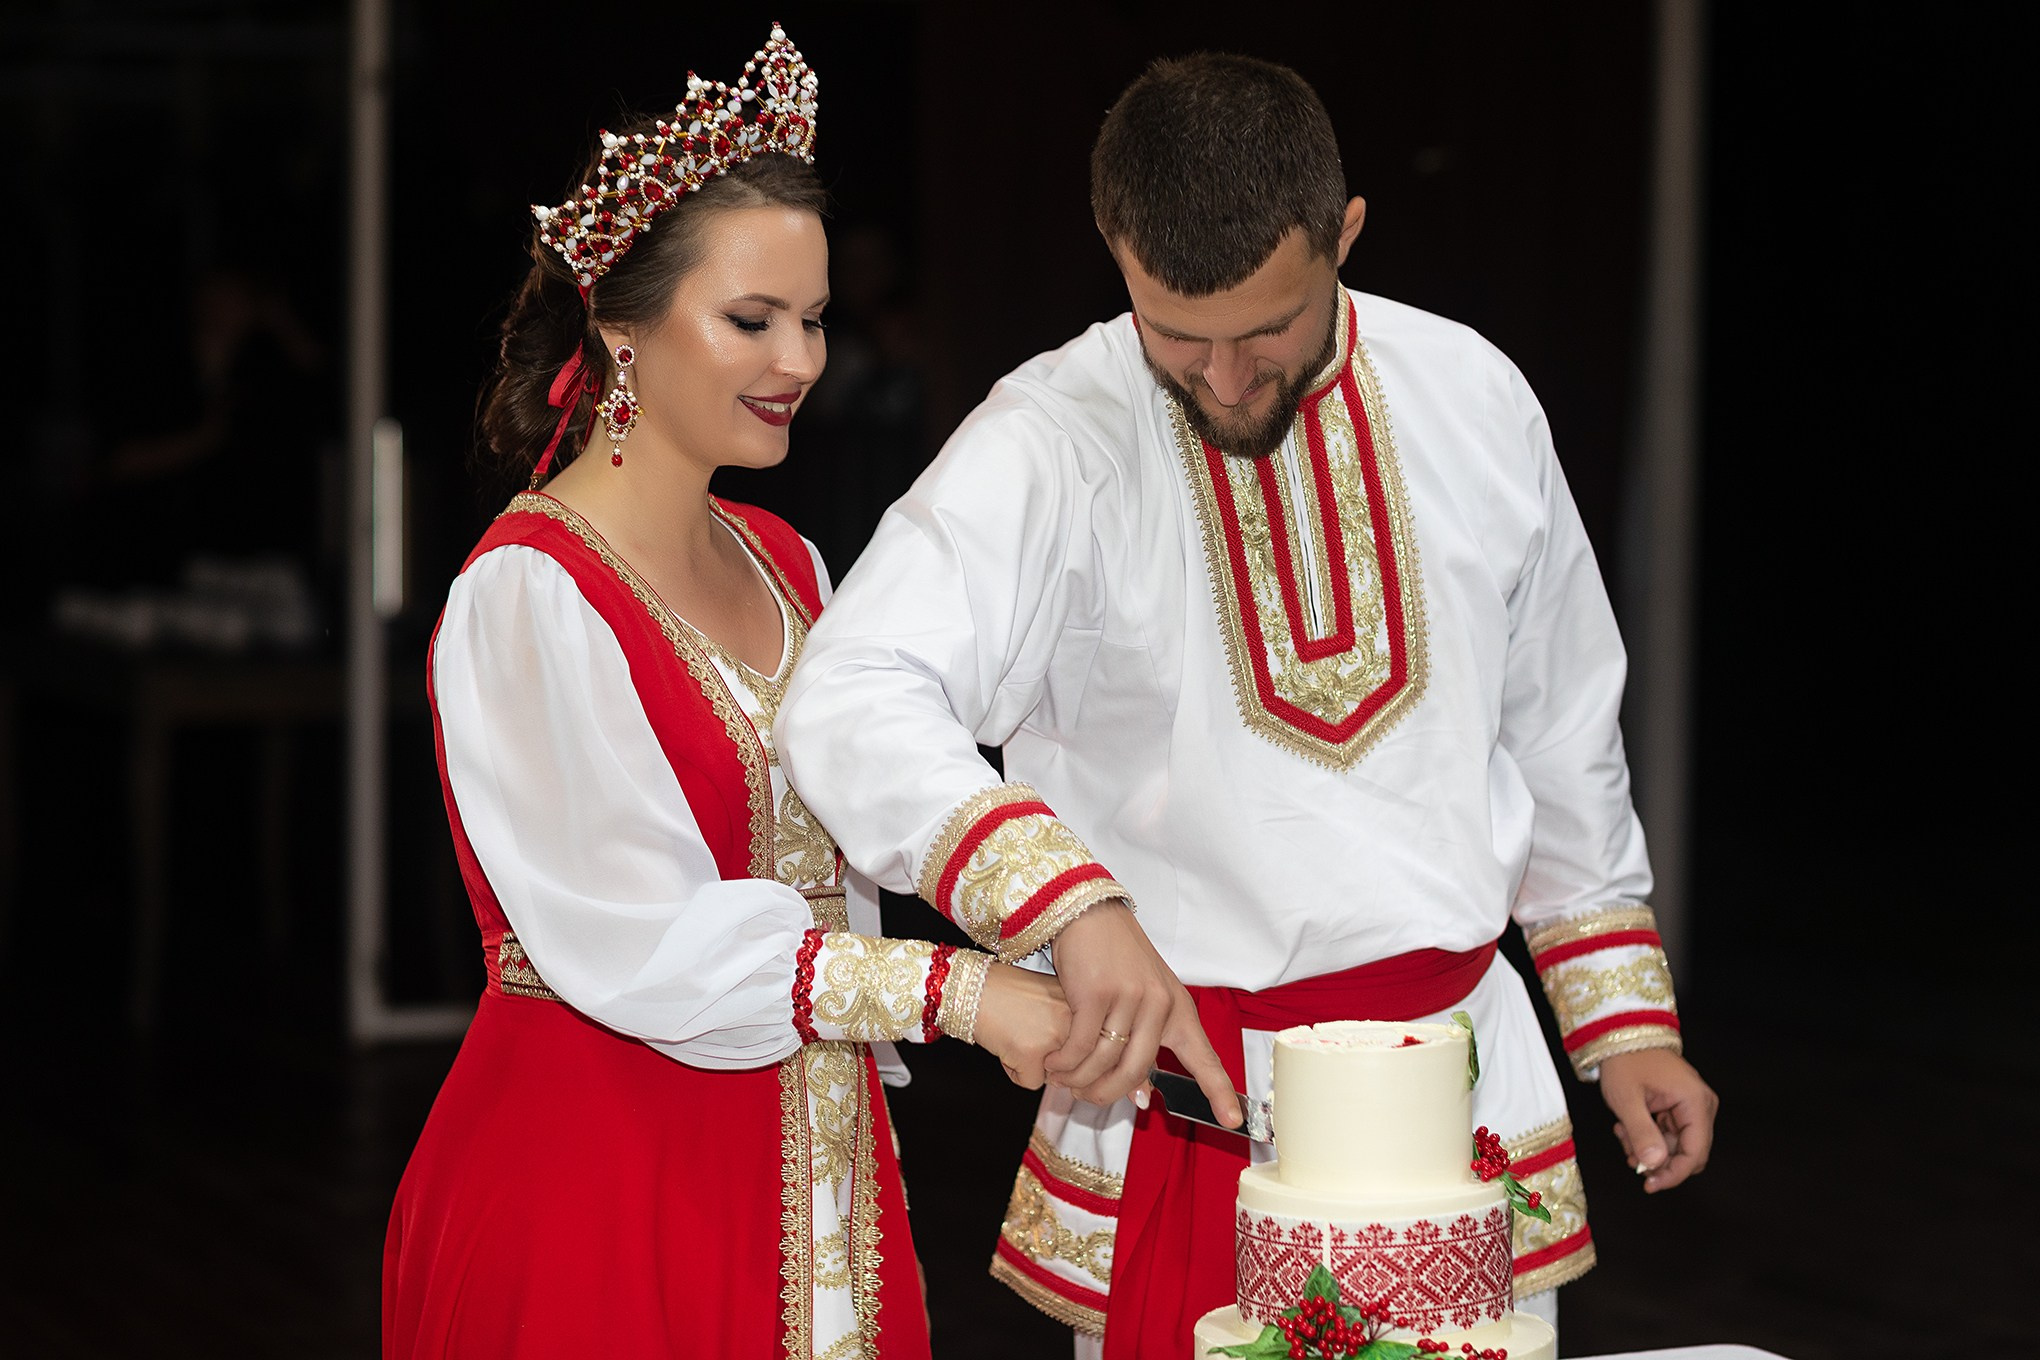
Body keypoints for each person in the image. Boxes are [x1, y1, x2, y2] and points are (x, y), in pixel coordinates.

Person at [775, 52, 1720, 1360]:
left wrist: (1623, 1024)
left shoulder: (1473, 395)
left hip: (1456, 1086)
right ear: (1115, 252)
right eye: (1177, 334)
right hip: (1190, 1099)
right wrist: (1072, 908)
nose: (1223, 378)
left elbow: (1557, 726)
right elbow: (851, 695)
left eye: (1267, 328)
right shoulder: (1051, 438)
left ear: (1346, 235)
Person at [381, 28, 1070, 1360]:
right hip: (601, 1170)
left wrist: (1057, 928)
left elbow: (895, 801)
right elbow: (644, 934)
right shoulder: (529, 593)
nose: (799, 359)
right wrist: (960, 995)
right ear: (620, 329)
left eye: (814, 319)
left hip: (813, 1156)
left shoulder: (791, 561)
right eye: (752, 320)